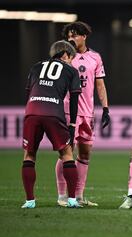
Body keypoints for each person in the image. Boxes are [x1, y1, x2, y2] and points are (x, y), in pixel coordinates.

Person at [55, 21, 110, 207]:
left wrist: (105, 109)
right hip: (67, 111)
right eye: (68, 36)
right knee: (65, 152)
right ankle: (62, 195)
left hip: (87, 113)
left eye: (75, 35)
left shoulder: (95, 57)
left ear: (84, 36)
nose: (71, 39)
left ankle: (78, 196)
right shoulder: (62, 58)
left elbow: (100, 85)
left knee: (85, 154)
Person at [21, 40, 81, 208]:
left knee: (29, 155)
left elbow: (28, 94)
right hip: (54, 112)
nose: (71, 61)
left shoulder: (35, 67)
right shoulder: (71, 70)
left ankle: (30, 201)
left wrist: (29, 114)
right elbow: (75, 99)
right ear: (66, 54)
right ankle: (71, 200)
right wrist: (72, 125)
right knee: (67, 154)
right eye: (71, 57)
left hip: (32, 111)